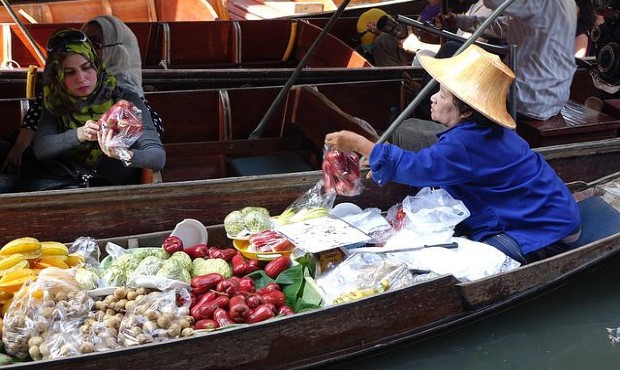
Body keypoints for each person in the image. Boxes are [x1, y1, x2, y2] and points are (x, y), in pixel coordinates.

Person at [325, 45, 581, 265]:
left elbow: (419, 168)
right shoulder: (482, 133)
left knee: (461, 266)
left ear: (467, 112)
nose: (434, 99)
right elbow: (435, 165)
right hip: (552, 216)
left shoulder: (466, 143)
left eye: (443, 95)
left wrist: (359, 143)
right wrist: (380, 158)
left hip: (545, 232)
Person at [1, 15, 163, 178]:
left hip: (108, 179)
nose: (81, 78)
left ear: (97, 65)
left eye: (87, 68)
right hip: (64, 178)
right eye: (69, 72)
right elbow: (41, 147)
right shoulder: (56, 99)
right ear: (58, 77)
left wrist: (123, 153)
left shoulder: (125, 96)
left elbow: (157, 156)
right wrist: (81, 133)